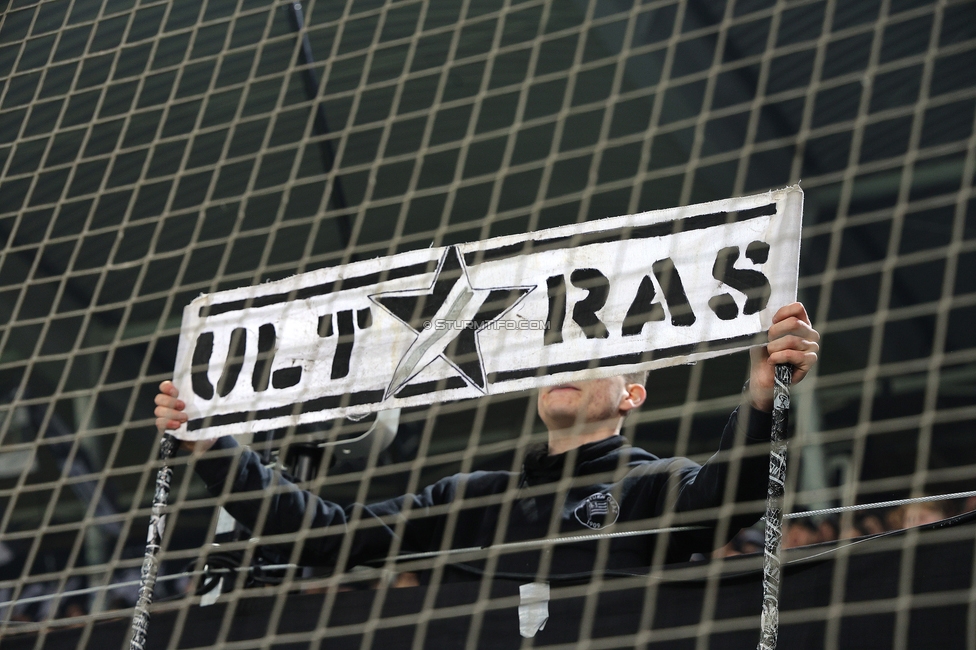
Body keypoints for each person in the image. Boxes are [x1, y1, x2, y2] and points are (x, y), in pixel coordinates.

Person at [155, 303, 819, 581]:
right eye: (555, 354)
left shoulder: (656, 483)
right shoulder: (472, 496)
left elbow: (727, 499)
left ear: (633, 394)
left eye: (593, 356)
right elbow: (324, 535)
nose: (565, 366)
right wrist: (216, 449)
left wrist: (763, 398)